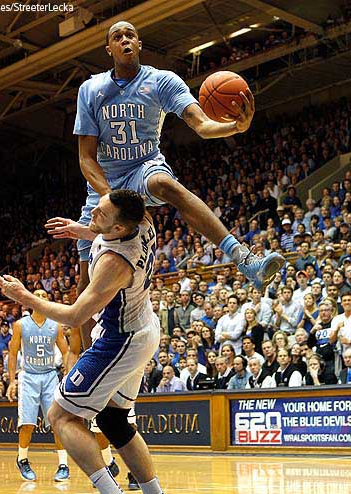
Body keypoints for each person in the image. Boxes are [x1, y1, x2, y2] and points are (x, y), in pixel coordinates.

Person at [73, 22, 285, 332]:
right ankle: (86, 368)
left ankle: (243, 258)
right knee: (86, 282)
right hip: (104, 182)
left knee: (164, 183)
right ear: (109, 49)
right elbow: (85, 157)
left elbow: (200, 124)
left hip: (142, 168)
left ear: (140, 44)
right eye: (117, 37)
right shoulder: (91, 90)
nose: (124, 39)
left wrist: (233, 128)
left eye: (130, 34)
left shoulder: (162, 81)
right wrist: (109, 196)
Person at [0, 190, 167, 494]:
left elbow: (75, 315)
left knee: (60, 417)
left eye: (101, 215)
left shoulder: (115, 263)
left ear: (117, 230)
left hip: (121, 338)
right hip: (143, 327)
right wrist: (82, 229)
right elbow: (108, 225)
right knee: (114, 420)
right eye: (98, 207)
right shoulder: (142, 219)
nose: (94, 214)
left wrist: (24, 297)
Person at [5, 289, 73, 482]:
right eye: (38, 295)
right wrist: (12, 380)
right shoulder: (20, 325)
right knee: (27, 423)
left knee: (57, 422)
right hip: (28, 376)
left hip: (50, 375)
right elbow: (12, 353)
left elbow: (66, 351)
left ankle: (63, 464)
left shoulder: (56, 325)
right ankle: (23, 459)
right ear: (31, 300)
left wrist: (67, 372)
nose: (41, 298)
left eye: (45, 295)